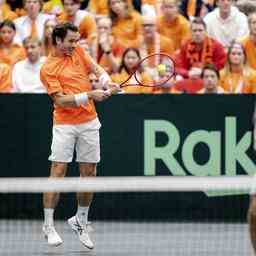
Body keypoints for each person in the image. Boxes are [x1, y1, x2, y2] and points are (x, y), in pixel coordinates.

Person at [40, 22, 117, 248]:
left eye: (77, 40)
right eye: (71, 41)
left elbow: (97, 69)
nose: (75, 44)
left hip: (89, 122)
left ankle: (80, 220)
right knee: (58, 171)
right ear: (58, 40)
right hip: (64, 124)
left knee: (89, 173)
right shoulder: (47, 68)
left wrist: (106, 82)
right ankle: (48, 225)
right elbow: (60, 100)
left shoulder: (79, 51)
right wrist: (90, 95)